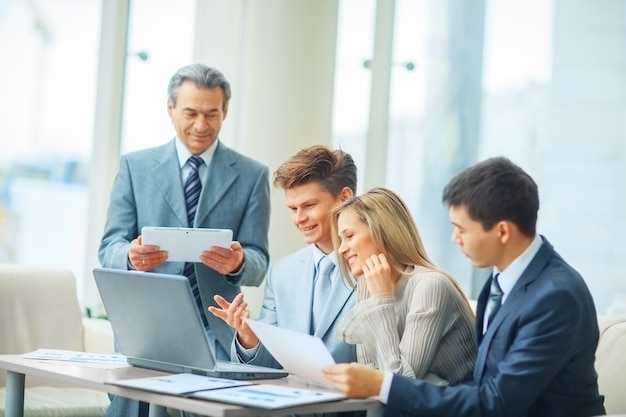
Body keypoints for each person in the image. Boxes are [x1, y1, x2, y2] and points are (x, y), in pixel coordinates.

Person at [322, 157, 606, 417]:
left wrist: (385, 385)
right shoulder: (499, 282)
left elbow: (497, 402)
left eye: (462, 229)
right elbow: (483, 383)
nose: (454, 239)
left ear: (502, 231)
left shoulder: (555, 297)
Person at [99, 63, 270, 417]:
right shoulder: (135, 167)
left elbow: (258, 262)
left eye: (212, 113)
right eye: (191, 112)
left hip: (217, 326)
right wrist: (130, 256)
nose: (201, 125)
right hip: (148, 325)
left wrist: (239, 262)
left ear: (225, 112)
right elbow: (109, 248)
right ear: (170, 109)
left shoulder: (252, 175)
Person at [209, 145, 360, 417]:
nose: (299, 218)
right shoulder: (282, 272)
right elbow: (266, 366)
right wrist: (249, 336)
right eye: (293, 208)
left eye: (309, 206)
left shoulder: (376, 270)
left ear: (344, 197)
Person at [329, 187, 476, 386]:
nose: (342, 249)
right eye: (340, 239)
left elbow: (398, 384)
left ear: (382, 232)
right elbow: (372, 373)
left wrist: (381, 300)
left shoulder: (430, 286)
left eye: (349, 236)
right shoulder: (368, 283)